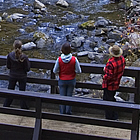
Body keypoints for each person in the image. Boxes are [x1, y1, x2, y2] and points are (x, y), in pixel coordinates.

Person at [53, 42, 81, 115]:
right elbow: (79, 71)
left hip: (62, 80)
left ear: (62, 50)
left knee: (62, 97)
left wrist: (60, 71)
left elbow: (54, 70)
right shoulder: (74, 59)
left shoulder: (59, 59)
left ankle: (62, 112)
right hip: (71, 80)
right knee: (69, 96)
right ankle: (68, 112)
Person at [3, 40, 30, 109]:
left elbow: (8, 66)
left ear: (13, 46)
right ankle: (24, 107)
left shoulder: (10, 55)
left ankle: (6, 105)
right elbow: (27, 68)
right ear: (21, 47)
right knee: (22, 91)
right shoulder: (24, 57)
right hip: (22, 76)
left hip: (12, 75)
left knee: (10, 90)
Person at [102, 45, 125, 120]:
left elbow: (108, 76)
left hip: (109, 85)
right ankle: (114, 116)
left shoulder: (110, 63)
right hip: (116, 83)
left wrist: (104, 74)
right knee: (111, 98)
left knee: (107, 100)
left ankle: (110, 117)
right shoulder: (122, 59)